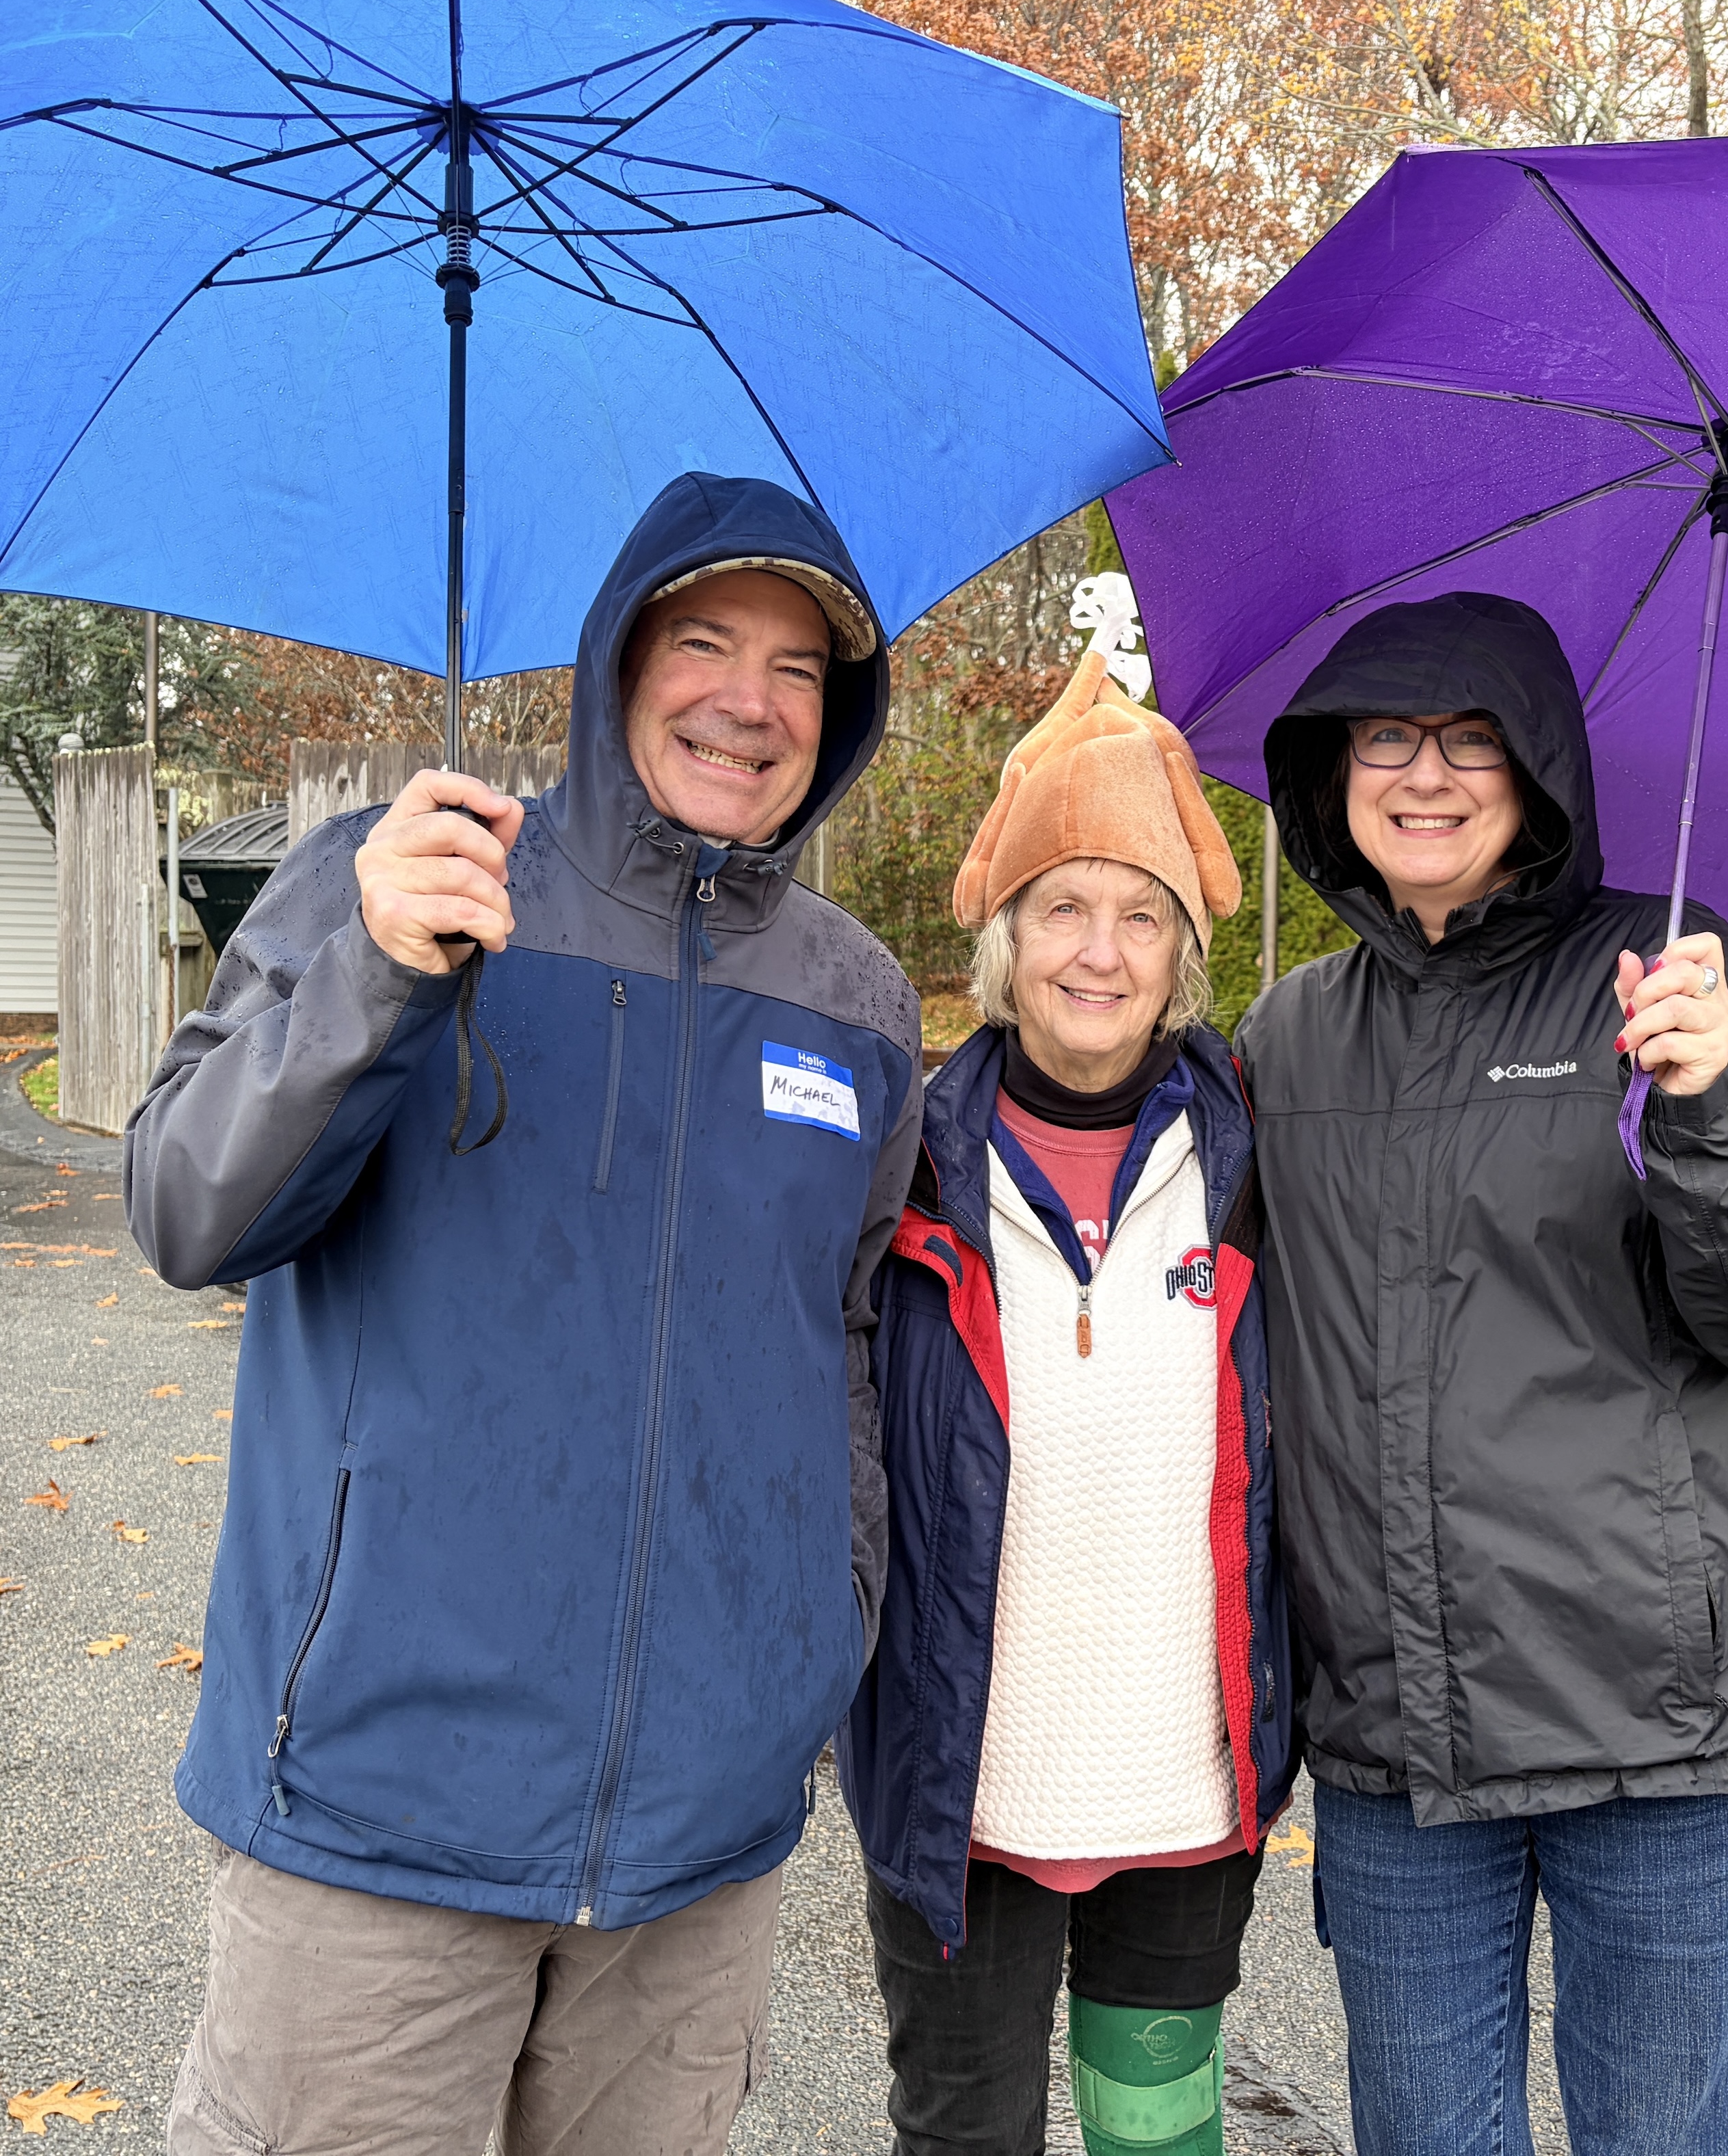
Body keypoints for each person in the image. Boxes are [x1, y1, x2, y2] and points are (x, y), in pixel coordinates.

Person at [126, 473, 925, 2156]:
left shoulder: (854, 999)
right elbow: (189, 1209)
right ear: (614, 660)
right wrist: (375, 975)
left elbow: (842, 1337)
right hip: (377, 1809)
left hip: (695, 1856)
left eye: (798, 668)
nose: (748, 700)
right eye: (705, 641)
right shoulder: (401, 880)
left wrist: (813, 1639)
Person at [1233, 593, 1728, 2156]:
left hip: (1661, 1729)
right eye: (1387, 736)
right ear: (1333, 772)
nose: (1426, 774)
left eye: (1471, 741)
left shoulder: (1664, 989)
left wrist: (1708, 1109)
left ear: (1538, 777)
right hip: (1401, 1743)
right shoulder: (1292, 1034)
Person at [837, 655, 1295, 2156]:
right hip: (965, 1783)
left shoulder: (1254, 1159)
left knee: (1157, 2133)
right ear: (1004, 939)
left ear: (1182, 953)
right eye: (1063, 909)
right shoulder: (898, 1160)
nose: (1098, 952)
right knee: (963, 2135)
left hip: (1183, 1772)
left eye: (1139, 913)